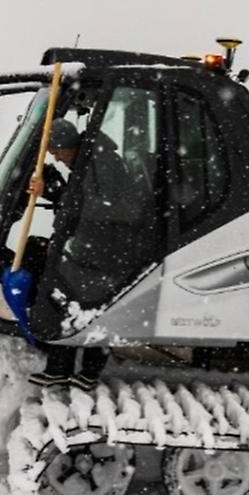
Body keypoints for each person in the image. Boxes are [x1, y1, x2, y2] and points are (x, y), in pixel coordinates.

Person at [28, 118, 151, 388]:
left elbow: (109, 207)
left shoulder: (102, 164)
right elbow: (81, 203)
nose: (56, 158)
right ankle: (72, 370)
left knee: (81, 305)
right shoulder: (92, 162)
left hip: (106, 249)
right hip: (96, 247)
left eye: (56, 151)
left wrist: (57, 194)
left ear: (67, 145)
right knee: (81, 305)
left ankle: (78, 370)